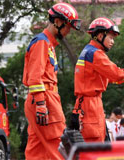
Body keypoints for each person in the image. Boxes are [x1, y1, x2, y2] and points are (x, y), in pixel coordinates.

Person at [73, 17, 124, 142]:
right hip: (90, 105)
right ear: (99, 35)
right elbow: (115, 73)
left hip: (89, 104)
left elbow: (109, 78)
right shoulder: (95, 53)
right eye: (110, 37)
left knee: (99, 143)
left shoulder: (88, 52)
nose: (112, 42)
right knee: (95, 147)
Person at [22, 2, 81, 159]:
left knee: (37, 149)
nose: (68, 31)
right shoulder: (42, 42)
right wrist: (41, 104)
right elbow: (35, 75)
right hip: (44, 99)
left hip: (41, 99)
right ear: (58, 22)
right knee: (58, 145)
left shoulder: (47, 44)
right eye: (68, 26)